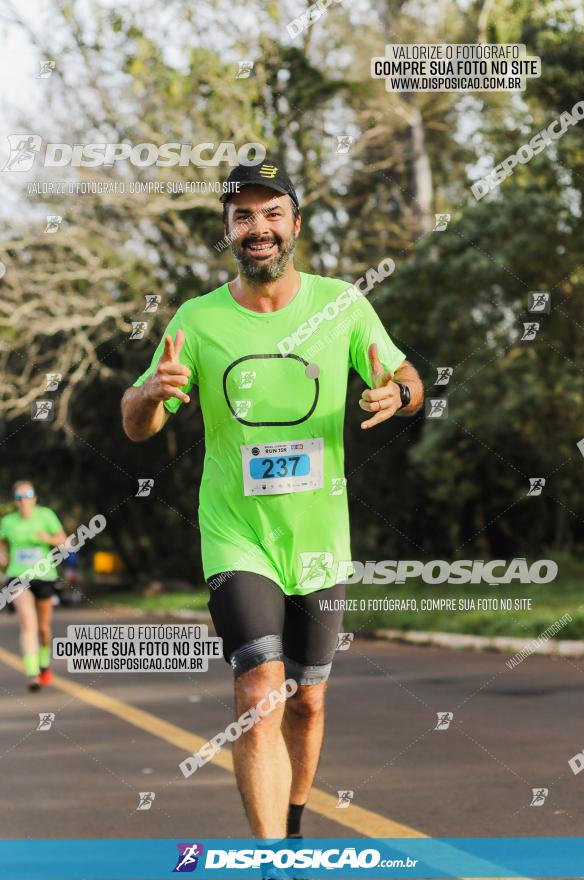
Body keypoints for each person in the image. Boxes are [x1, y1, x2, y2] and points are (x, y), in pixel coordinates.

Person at [121, 159, 424, 848]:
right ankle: (269, 860)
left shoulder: (342, 304)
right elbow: (138, 424)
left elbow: (407, 378)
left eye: (270, 213)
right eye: (242, 215)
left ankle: (292, 825)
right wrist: (147, 395)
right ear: (228, 229)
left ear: (293, 222)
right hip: (236, 534)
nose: (256, 227)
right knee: (261, 691)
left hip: (318, 536)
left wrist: (396, 395)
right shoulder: (196, 320)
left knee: (307, 701)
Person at [0, 481, 66, 690]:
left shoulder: (46, 515)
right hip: (18, 576)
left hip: (45, 577)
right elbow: (1, 543)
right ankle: (32, 674)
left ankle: (44, 664)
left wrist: (47, 538)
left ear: (35, 497)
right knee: (28, 624)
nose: (23, 500)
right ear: (15, 502)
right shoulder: (8, 521)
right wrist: (2, 554)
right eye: (19, 497)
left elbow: (65, 541)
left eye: (27, 495)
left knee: (43, 628)